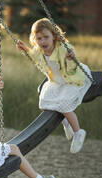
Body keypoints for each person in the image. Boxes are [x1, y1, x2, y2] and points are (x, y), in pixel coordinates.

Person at [16, 18, 91, 153]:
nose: (43, 41)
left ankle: (78, 132)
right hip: (56, 81)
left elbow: (73, 68)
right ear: (35, 39)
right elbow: (34, 56)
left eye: (46, 37)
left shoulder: (64, 49)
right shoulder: (39, 50)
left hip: (71, 80)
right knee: (44, 103)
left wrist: (71, 58)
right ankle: (66, 121)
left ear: (54, 36)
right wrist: (25, 48)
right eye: (39, 38)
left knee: (64, 105)